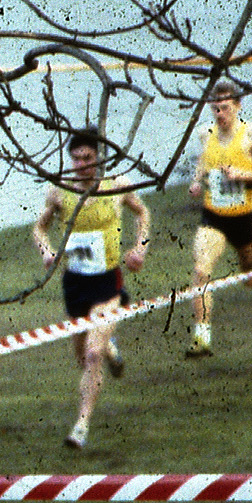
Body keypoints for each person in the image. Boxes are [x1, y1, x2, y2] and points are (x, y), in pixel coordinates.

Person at [32, 127, 151, 450]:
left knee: (92, 353)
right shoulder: (60, 192)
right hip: (75, 283)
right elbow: (39, 228)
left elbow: (143, 213)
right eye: (75, 158)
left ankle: (81, 425)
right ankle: (110, 346)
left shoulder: (117, 185)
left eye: (87, 158)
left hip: (107, 280)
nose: (81, 164)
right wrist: (47, 252)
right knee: (83, 356)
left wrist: (140, 248)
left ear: (98, 159)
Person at [185, 79, 252, 358]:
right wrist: (196, 182)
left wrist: (242, 175)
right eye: (215, 109)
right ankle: (202, 338)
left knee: (250, 276)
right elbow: (203, 163)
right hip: (214, 216)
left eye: (225, 108)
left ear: (238, 106)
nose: (220, 115)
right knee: (201, 271)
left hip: (245, 217)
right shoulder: (205, 134)